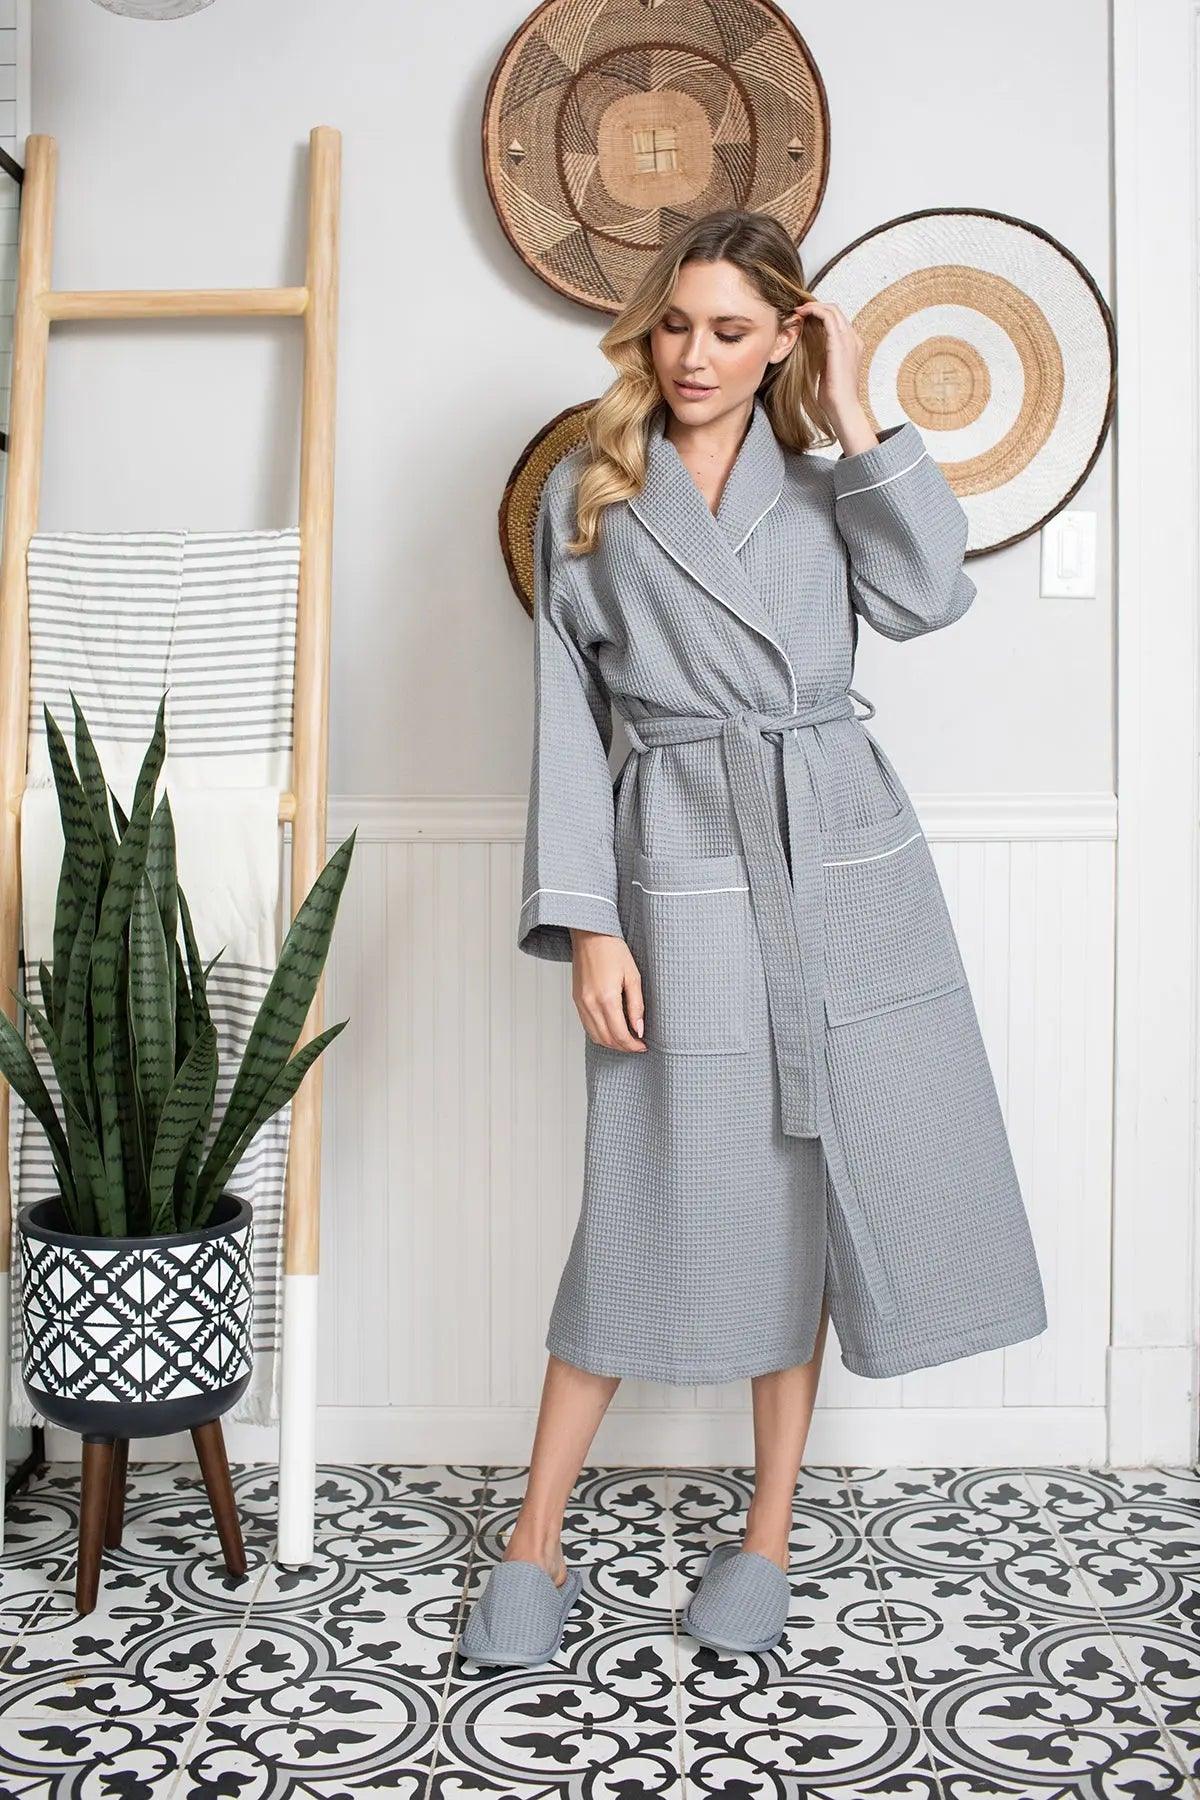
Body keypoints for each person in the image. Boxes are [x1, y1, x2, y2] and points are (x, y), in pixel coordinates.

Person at [459, 208, 1047, 1669]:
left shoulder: (826, 484)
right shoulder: (590, 489)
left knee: (814, 1199)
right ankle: (535, 1537)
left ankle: (768, 1536)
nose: (697, 356)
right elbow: (561, 715)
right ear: (643, 331)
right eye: (676, 326)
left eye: (733, 330)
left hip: (844, 861)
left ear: (784, 334)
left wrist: (858, 411)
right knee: (644, 1196)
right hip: (682, 858)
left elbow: (928, 595)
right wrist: (590, 925)